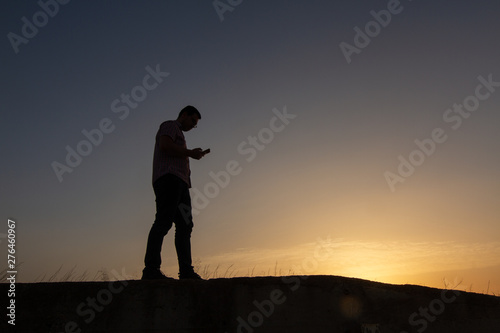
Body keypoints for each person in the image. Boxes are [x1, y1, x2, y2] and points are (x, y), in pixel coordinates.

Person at [142, 105, 209, 280]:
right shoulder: (170, 125)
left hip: (181, 184)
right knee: (164, 221)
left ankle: (186, 271)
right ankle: (151, 270)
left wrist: (190, 155)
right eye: (193, 121)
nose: (193, 126)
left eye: (195, 124)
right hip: (169, 179)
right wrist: (190, 153)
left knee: (185, 226)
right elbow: (165, 145)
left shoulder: (181, 135)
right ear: (184, 114)